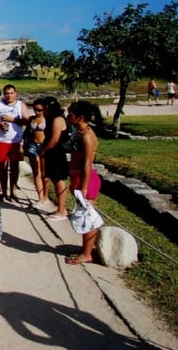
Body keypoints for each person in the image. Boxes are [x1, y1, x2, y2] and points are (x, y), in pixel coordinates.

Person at [65, 100, 104, 265]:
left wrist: (84, 186)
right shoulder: (78, 132)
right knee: (83, 216)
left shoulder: (87, 136)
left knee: (88, 217)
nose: (68, 116)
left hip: (86, 178)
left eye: (71, 115)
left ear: (80, 117)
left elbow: (87, 163)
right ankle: (85, 249)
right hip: (77, 176)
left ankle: (87, 253)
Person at [0, 84, 30, 201]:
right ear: (4, 94)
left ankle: (13, 192)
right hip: (1, 140)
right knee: (2, 167)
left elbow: (27, 120)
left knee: (14, 167)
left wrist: (13, 119)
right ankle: (3, 192)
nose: (9, 96)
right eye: (7, 93)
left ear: (16, 93)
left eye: (11, 93)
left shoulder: (21, 105)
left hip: (16, 140)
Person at [38, 96, 69, 221]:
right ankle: (60, 208)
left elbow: (55, 139)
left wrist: (44, 150)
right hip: (52, 153)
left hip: (57, 152)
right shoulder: (52, 118)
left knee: (59, 181)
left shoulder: (57, 119)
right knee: (55, 180)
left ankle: (62, 210)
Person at [26, 99, 51, 210]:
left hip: (43, 146)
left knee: (45, 173)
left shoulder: (48, 120)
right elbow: (27, 132)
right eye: (35, 109)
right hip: (33, 145)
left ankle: (45, 196)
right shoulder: (32, 119)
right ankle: (40, 198)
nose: (37, 112)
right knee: (36, 172)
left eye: (39, 110)